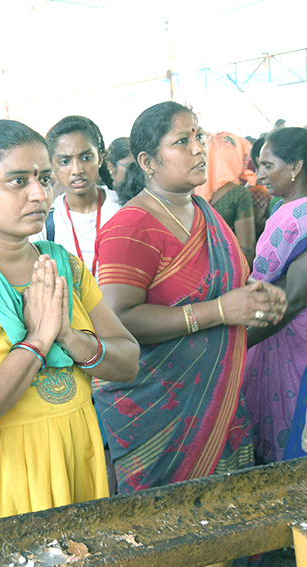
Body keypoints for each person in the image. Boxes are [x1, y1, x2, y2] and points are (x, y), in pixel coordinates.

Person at [0, 119, 140, 531]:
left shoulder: (63, 266)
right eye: (17, 180)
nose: (40, 194)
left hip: (75, 462)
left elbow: (128, 362)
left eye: (44, 178)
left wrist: (68, 335)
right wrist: (36, 342)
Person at [94, 101, 287, 494]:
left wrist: (255, 299)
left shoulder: (205, 212)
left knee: (226, 520)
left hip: (219, 400)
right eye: (182, 141)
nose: (199, 148)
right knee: (168, 530)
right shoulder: (131, 226)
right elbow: (118, 319)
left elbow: (229, 287)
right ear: (148, 161)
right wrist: (219, 310)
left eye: (198, 136)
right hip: (159, 410)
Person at [243, 126, 307, 464]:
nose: (259, 174)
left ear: (295, 167)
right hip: (281, 336)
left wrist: (237, 345)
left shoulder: (299, 216)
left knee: (292, 434)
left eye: (268, 165)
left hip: (292, 340)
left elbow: (294, 299)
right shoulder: (286, 208)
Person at [33, 116, 121, 276]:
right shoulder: (45, 222)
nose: (77, 169)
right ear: (52, 165)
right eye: (65, 161)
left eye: (86, 158)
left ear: (100, 158)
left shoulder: (124, 208)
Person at [194, 132, 256, 267]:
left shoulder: (194, 190)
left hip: (199, 270)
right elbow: (247, 249)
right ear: (234, 157)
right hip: (227, 271)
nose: (245, 161)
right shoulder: (239, 194)